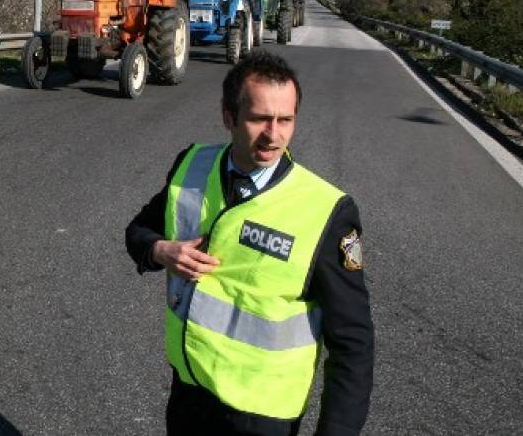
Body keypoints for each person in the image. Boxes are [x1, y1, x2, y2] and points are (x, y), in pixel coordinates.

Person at [125, 50, 373, 435]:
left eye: (286, 120)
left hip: (261, 417)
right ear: (229, 116)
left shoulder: (327, 211)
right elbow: (139, 231)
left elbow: (353, 343)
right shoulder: (192, 165)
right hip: (190, 395)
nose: (274, 135)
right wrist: (160, 250)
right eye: (259, 119)